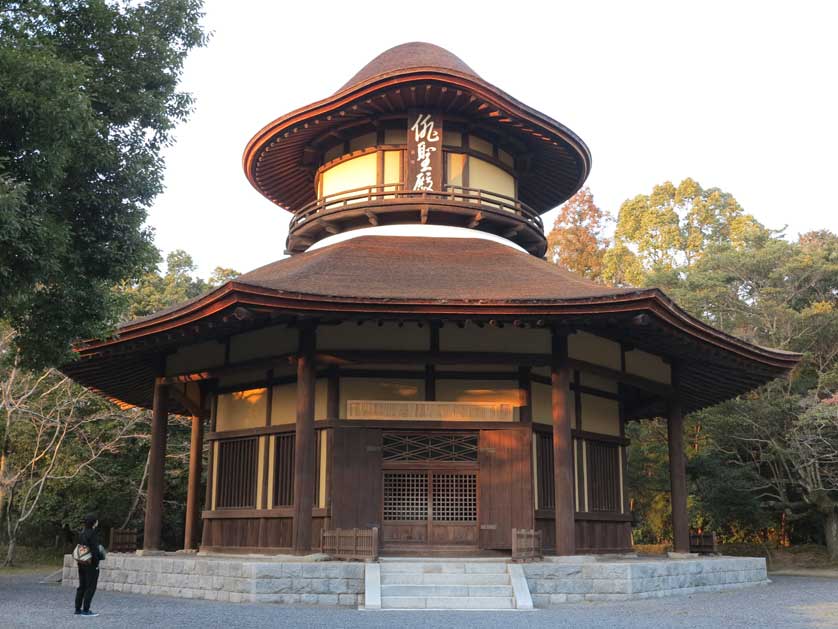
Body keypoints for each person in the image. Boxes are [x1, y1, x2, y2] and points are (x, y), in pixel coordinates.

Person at [74, 513, 104, 617]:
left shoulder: (81, 533)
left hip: (81, 561)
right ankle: (86, 610)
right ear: (94, 523)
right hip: (90, 562)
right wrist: (96, 563)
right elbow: (94, 550)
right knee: (91, 587)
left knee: (82, 586)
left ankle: (77, 609)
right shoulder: (93, 534)